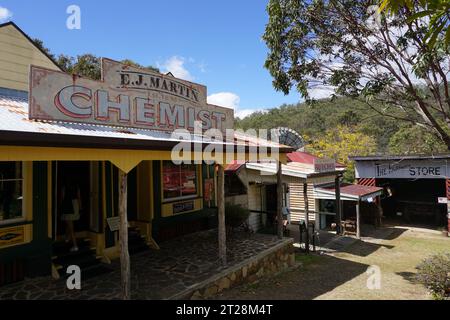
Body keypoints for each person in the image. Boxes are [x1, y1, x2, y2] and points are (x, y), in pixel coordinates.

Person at [60, 176, 82, 252]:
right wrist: (80, 208)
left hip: (68, 205)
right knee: (69, 223)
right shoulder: (77, 187)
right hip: (75, 204)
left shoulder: (64, 187)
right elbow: (79, 198)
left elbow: (62, 198)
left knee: (70, 226)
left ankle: (75, 245)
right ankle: (67, 238)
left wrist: (61, 207)